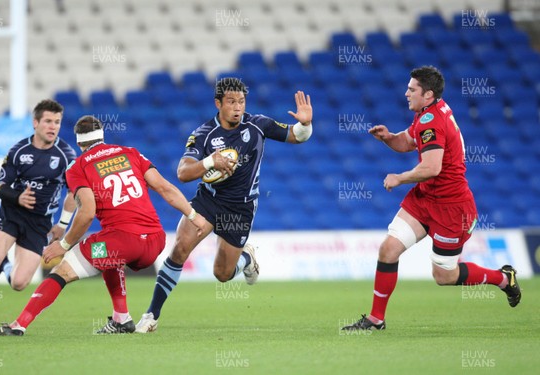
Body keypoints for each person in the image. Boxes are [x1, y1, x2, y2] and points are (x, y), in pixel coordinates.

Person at [0, 115, 208, 336]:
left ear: (79, 143)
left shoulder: (78, 167)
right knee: (109, 254)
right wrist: (193, 215)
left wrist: (64, 244)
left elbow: (87, 212)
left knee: (62, 271)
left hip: (124, 241)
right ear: (102, 136)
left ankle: (18, 325)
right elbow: (165, 188)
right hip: (155, 241)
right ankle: (122, 319)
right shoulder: (130, 153)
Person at [342, 66, 521, 331]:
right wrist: (389, 138)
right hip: (425, 199)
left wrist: (399, 178)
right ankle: (376, 319)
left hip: (452, 207)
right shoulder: (428, 113)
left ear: (428, 94)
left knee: (444, 276)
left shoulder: (432, 121)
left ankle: (503, 278)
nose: (406, 93)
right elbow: (408, 140)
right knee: (388, 249)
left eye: (412, 89)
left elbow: (432, 167)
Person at [136, 77, 313, 333]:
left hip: (240, 209)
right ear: (218, 103)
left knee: (222, 274)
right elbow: (183, 173)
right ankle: (151, 314)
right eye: (231, 102)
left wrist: (305, 123)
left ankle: (247, 258)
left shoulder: (258, 124)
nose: (237, 107)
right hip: (209, 200)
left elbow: (297, 136)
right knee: (179, 249)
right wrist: (210, 162)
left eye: (241, 101)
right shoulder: (203, 134)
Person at [0, 99, 77, 329]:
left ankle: (5, 266)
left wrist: (63, 224)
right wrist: (17, 198)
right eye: (48, 121)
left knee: (19, 283)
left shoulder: (66, 155)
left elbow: (75, 193)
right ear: (35, 123)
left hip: (39, 223)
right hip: (11, 214)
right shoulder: (18, 151)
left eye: (57, 122)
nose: (53, 126)